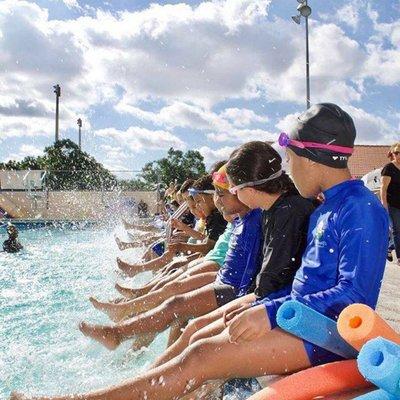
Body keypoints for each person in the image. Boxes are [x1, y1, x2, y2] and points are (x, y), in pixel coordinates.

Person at [11, 104, 389, 400]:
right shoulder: (327, 207)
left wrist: (271, 309)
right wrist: (266, 305)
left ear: (308, 157)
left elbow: (354, 297)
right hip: (300, 320)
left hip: (325, 335)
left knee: (201, 357)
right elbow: (307, 285)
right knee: (200, 344)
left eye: (289, 161)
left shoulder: (361, 208)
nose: (287, 171)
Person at [78, 169, 262, 348]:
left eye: (220, 195)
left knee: (175, 299)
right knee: (171, 293)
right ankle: (131, 313)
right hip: (221, 271)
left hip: (222, 273)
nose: (197, 207)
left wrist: (186, 242)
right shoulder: (237, 220)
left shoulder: (245, 218)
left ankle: (128, 311)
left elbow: (210, 246)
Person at [381, 142, 400, 265]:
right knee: (396, 230)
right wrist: (384, 205)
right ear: (392, 154)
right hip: (393, 205)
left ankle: (389, 247)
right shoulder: (388, 168)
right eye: (396, 152)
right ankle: (399, 257)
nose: (399, 155)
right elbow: (383, 189)